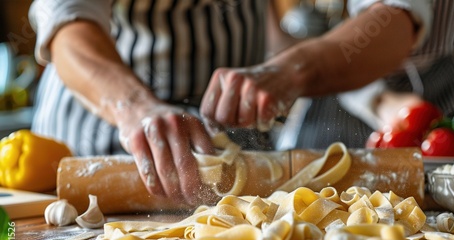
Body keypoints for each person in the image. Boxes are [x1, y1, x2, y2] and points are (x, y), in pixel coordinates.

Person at [28, 0, 295, 206]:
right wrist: (138, 109)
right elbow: (67, 25)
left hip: (237, 150)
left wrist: (286, 56)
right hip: (108, 142)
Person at [200, 0, 454, 149]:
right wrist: (377, 100)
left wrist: (291, 70)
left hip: (447, 88)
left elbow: (393, 20)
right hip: (341, 95)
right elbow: (282, 44)